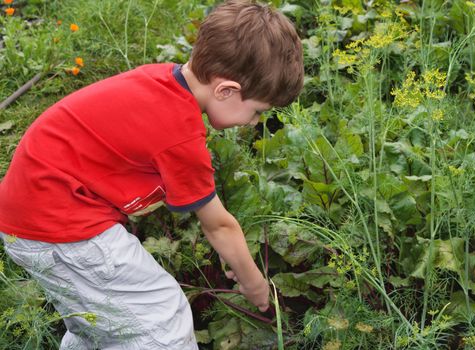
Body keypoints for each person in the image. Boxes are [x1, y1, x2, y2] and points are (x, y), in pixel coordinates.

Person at [0, 0, 304, 349]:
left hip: (35, 214)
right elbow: (219, 224)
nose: (253, 122)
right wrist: (254, 285)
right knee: (161, 318)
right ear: (226, 90)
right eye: (257, 111)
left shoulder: (161, 80)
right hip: (61, 226)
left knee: (101, 323)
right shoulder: (181, 136)